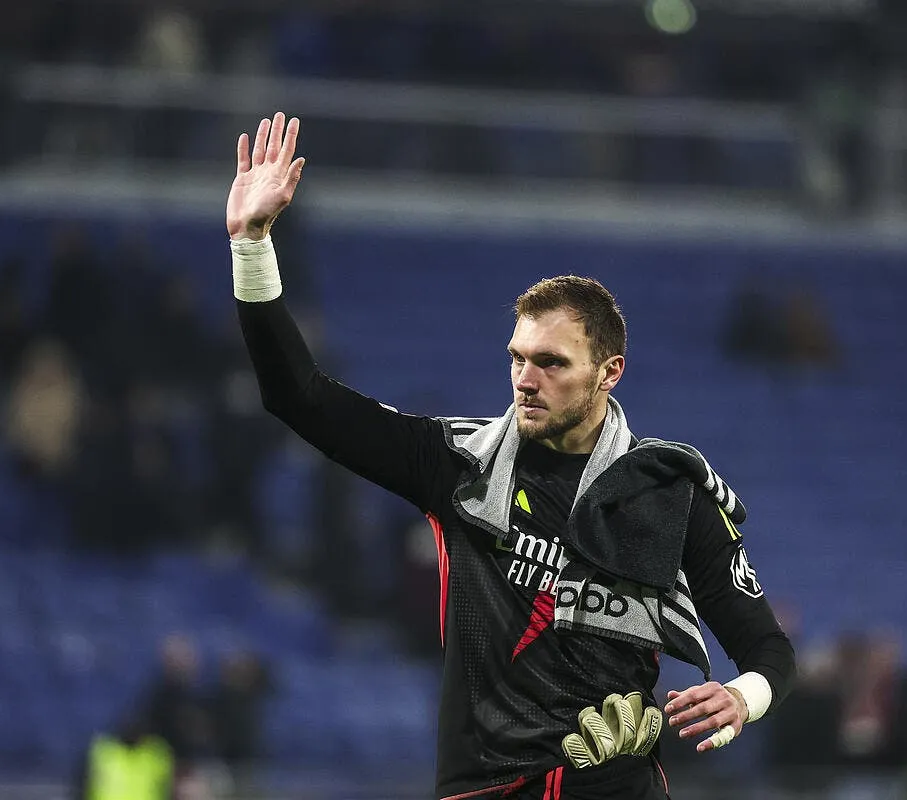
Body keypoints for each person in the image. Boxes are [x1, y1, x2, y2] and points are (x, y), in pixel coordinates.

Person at [225, 112, 797, 800]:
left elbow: (767, 649)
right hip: (482, 790)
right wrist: (253, 244)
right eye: (518, 360)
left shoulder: (669, 491)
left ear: (609, 372)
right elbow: (299, 397)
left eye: (551, 363)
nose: (526, 379)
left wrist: (743, 698)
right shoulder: (457, 464)